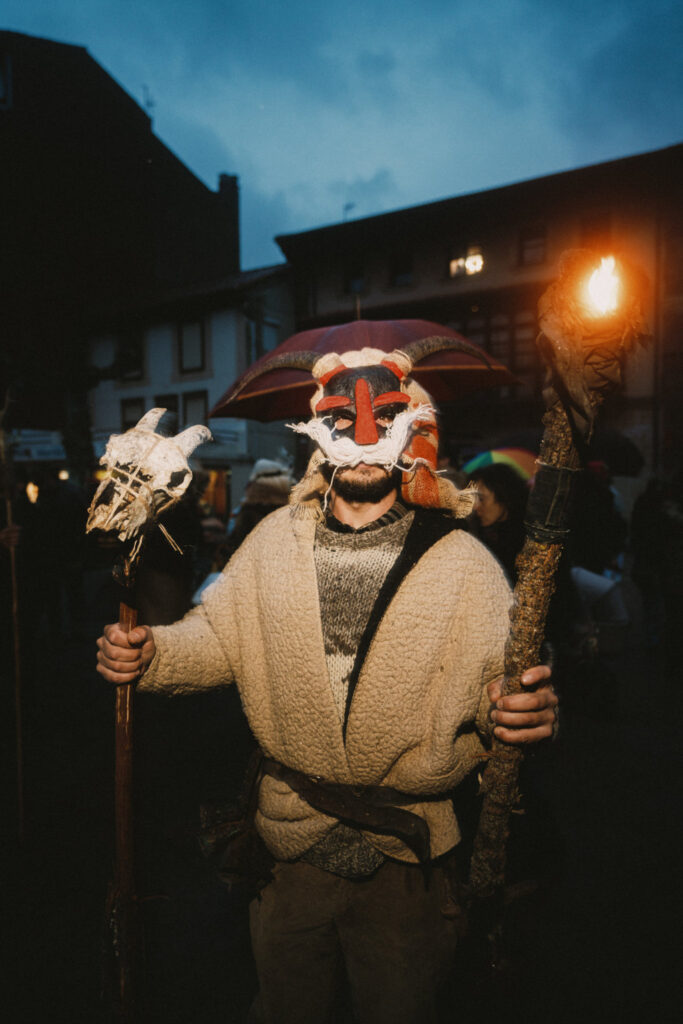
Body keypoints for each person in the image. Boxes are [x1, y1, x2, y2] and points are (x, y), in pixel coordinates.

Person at [96, 334, 558, 1024]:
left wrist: (517, 710)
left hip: (408, 859)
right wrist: (153, 655)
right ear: (318, 433)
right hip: (288, 846)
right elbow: (218, 637)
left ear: (413, 434)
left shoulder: (462, 562)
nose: (364, 437)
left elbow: (500, 680)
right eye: (343, 421)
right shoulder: (272, 541)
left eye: (384, 422)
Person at [466, 462, 529, 584]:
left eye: (482, 499)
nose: (476, 506)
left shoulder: (528, 539)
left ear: (504, 497)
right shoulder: (474, 534)